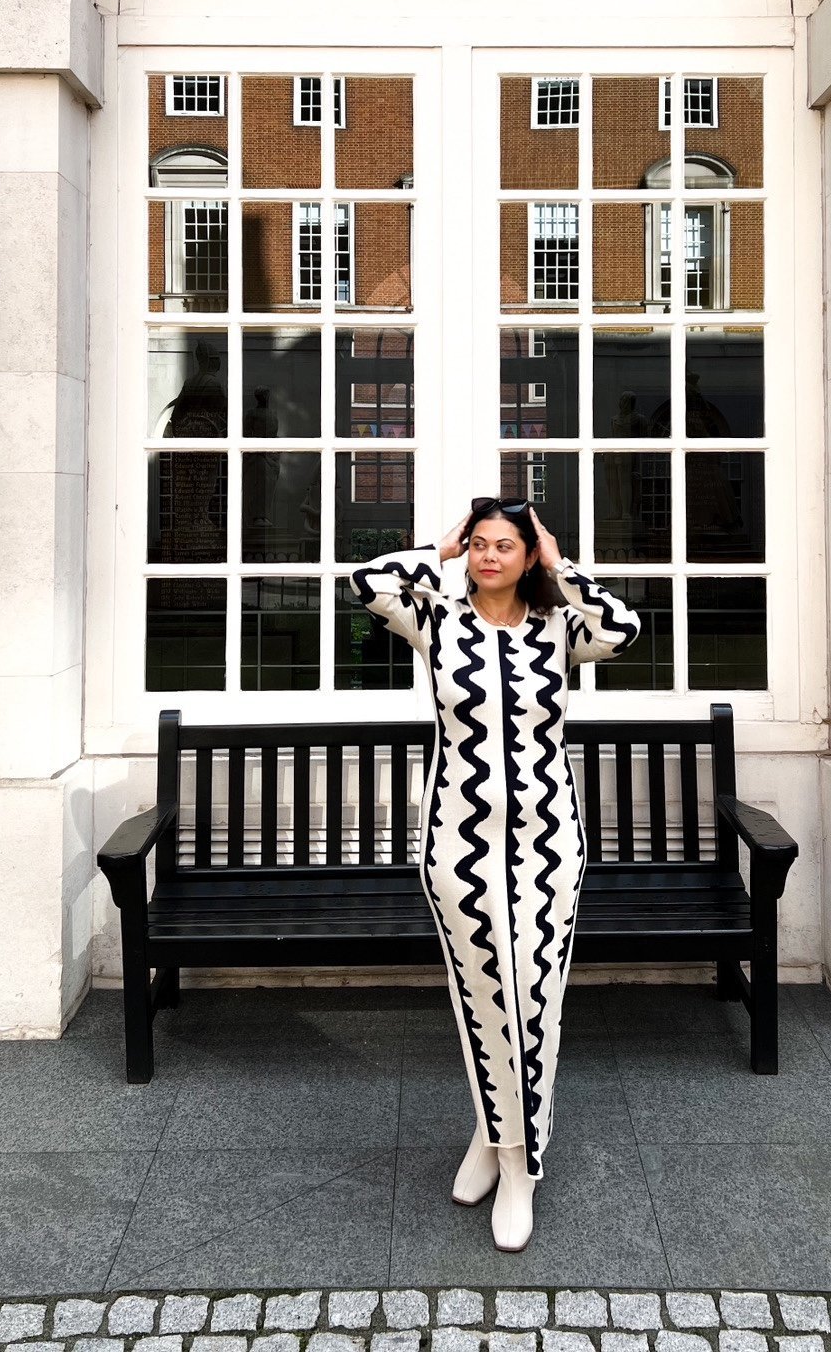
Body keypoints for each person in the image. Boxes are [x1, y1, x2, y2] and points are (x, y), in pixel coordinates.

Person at [350, 498, 640, 1252]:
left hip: (549, 844)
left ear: (528, 555)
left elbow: (622, 627)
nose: (488, 557)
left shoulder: (559, 629)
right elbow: (367, 581)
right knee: (483, 997)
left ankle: (516, 1164)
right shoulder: (437, 621)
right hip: (458, 846)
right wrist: (439, 548)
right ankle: (496, 1139)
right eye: (479, 544)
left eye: (504, 545)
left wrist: (559, 558)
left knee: (532, 997)